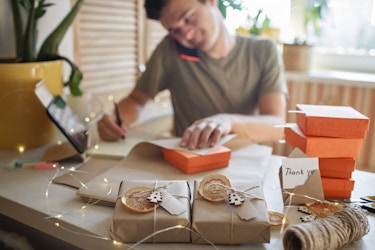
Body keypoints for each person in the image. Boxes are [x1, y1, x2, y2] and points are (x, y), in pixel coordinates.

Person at [97, 0, 288, 150]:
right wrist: (114, 120)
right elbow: (137, 100)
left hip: (247, 162)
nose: (185, 36)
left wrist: (227, 121)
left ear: (211, 1)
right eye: (174, 30)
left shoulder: (263, 51)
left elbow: (276, 126)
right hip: (187, 161)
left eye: (188, 18)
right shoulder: (170, 50)